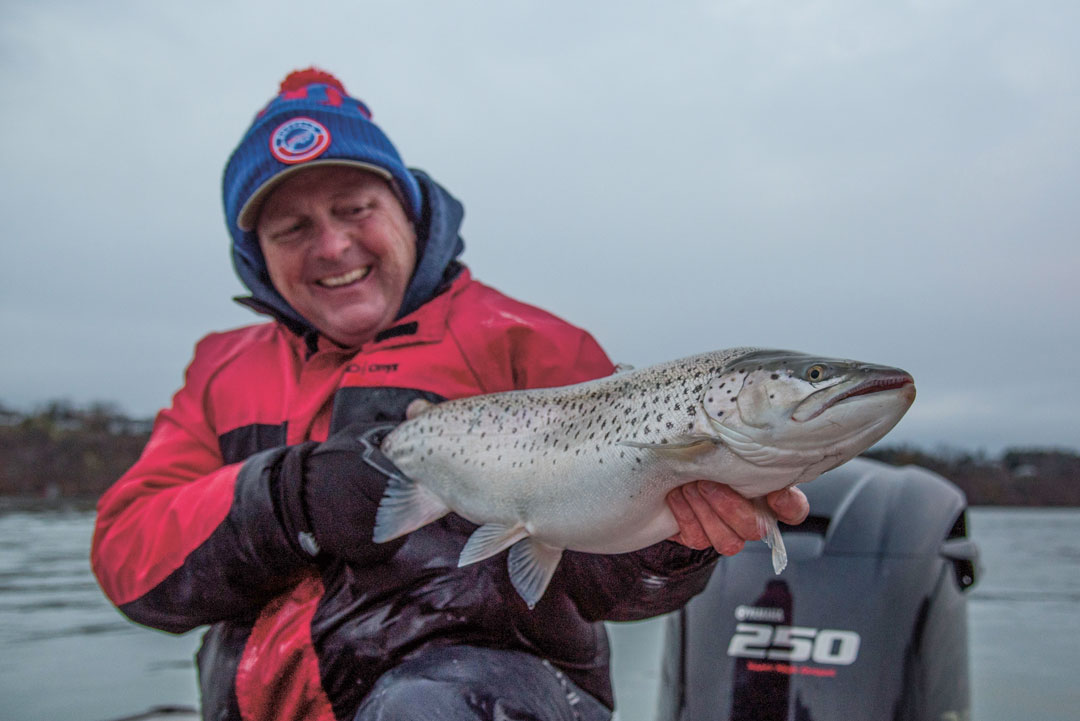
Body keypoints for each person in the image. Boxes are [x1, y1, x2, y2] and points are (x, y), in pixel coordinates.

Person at [91, 68, 809, 721]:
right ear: (257, 257)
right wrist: (284, 500)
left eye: (355, 208)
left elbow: (606, 588)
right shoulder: (218, 369)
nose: (333, 246)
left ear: (407, 210)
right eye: (293, 228)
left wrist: (668, 545)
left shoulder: (533, 346)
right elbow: (129, 561)